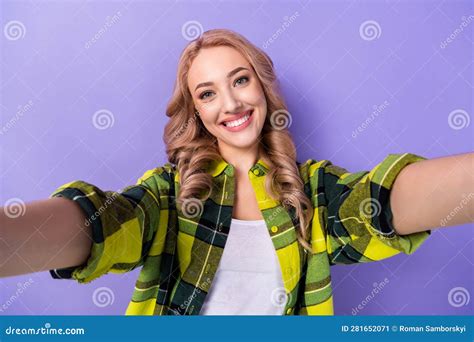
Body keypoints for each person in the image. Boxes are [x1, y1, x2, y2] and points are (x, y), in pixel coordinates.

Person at [1, 29, 472, 316]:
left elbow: (381, 205)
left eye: (240, 80)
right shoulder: (170, 195)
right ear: (196, 111)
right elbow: (105, 223)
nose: (230, 104)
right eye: (207, 93)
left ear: (262, 87)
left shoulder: (312, 193)